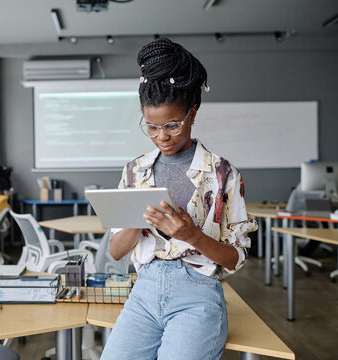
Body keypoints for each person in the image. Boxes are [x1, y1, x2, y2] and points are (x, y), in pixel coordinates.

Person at [100, 38, 258, 360]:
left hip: (198, 295)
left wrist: (191, 235)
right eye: (152, 127)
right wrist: (134, 219)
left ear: (193, 113)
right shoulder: (135, 171)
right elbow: (116, 252)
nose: (162, 136)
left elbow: (236, 260)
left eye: (172, 125)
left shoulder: (222, 173)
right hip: (143, 292)